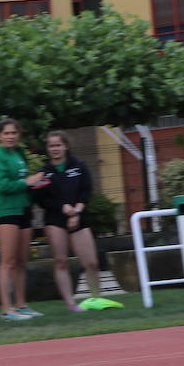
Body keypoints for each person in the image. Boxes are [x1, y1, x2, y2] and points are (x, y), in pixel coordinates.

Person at [38, 130, 114, 312]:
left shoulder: (79, 166)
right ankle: (71, 304)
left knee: (91, 262)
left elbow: (86, 191)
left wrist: (77, 211)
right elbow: (41, 198)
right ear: (47, 149)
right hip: (55, 219)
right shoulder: (44, 172)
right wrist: (62, 207)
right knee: (61, 261)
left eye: (58, 145)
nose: (55, 149)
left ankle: (96, 298)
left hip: (79, 216)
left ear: (66, 146)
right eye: (51, 146)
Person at [0, 117, 46, 321]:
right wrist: (26, 181)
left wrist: (36, 185)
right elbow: (2, 186)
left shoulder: (20, 154)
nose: (11, 136)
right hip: (6, 211)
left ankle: (21, 305)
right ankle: (6, 309)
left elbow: (24, 183)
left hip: (24, 209)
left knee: (21, 261)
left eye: (14, 133)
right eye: (6, 133)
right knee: (7, 261)